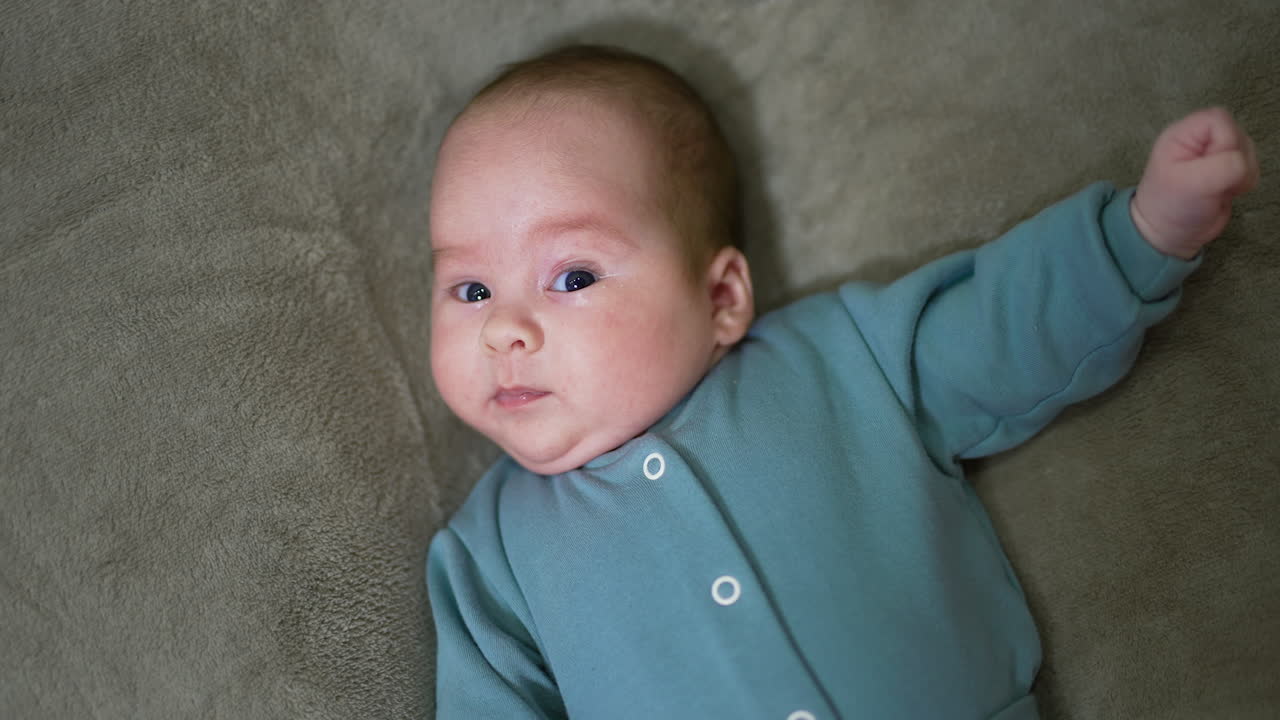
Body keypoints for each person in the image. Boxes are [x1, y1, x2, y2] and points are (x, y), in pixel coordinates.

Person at [424, 44, 1259, 719]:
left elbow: (1003, 332)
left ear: (721, 297)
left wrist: (1145, 230)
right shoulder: (487, 557)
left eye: (572, 277)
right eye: (470, 290)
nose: (503, 328)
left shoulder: (842, 360)